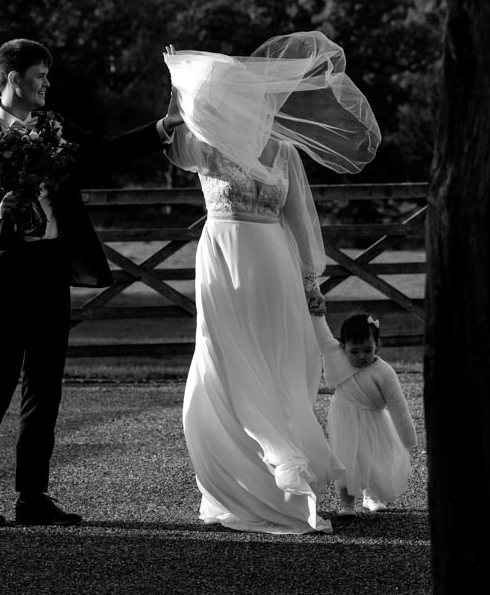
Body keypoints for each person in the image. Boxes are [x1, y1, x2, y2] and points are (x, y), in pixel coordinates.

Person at [0, 38, 184, 526]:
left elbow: (102, 151)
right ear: (14, 79)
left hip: (51, 269)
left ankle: (32, 497)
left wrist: (162, 127)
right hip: (0, 276)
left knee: (45, 388)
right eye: (40, 76)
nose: (48, 83)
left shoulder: (52, 127)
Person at [164, 31, 380, 534]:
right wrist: (177, 86)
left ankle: (284, 480)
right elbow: (170, 141)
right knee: (225, 363)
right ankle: (237, 485)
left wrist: (309, 280)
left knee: (280, 364)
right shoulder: (206, 144)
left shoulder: (284, 151)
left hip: (274, 265)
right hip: (223, 259)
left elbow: (300, 221)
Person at [312, 312, 417, 516]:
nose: (361, 356)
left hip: (373, 421)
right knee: (346, 461)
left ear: (378, 344)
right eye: (354, 351)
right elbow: (322, 336)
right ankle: (347, 504)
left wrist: (408, 438)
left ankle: (372, 496)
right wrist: (316, 312)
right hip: (344, 419)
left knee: (373, 460)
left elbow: (398, 406)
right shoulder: (337, 357)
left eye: (368, 350)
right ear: (343, 347)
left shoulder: (384, 372)